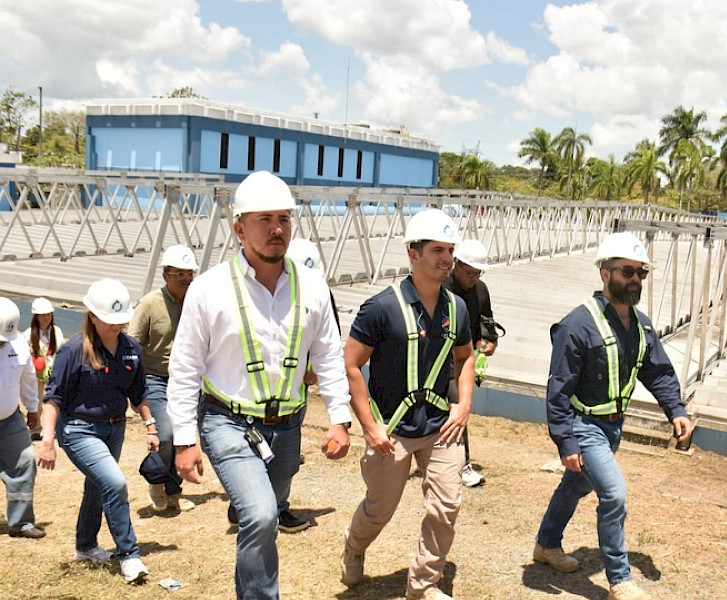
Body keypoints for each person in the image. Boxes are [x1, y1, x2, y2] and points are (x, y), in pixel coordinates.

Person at [167, 171, 352, 600]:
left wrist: (339, 419)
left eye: (284, 219)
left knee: (270, 506)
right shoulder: (208, 289)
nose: (277, 229)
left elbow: (328, 355)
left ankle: (250, 520)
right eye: (264, 219)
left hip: (287, 426)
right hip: (227, 421)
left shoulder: (312, 287)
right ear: (239, 229)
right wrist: (184, 440)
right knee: (263, 514)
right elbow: (185, 367)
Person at [532, 232, 694, 600]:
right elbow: (558, 390)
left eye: (641, 273)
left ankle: (546, 544)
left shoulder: (641, 325)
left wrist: (676, 410)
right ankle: (620, 579)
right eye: (627, 271)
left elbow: (658, 372)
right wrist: (566, 441)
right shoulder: (577, 325)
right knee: (614, 496)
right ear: (605, 273)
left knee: (576, 485)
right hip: (584, 425)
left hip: (612, 427)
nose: (635, 279)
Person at [340, 208, 476, 600]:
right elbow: (350, 364)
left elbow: (465, 357)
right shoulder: (380, 308)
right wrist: (369, 427)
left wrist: (463, 405)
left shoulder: (457, 308)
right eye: (437, 250)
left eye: (450, 250)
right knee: (379, 509)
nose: (447, 259)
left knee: (446, 506)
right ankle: (354, 546)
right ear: (413, 254)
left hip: (440, 426)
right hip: (392, 430)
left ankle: (423, 585)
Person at [36, 278, 158, 584]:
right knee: (115, 483)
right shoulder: (72, 351)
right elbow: (53, 398)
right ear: (92, 316)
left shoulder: (130, 348)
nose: (117, 326)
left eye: (121, 320)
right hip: (78, 429)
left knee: (98, 485)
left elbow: (138, 393)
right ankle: (129, 555)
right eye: (109, 320)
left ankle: (86, 545)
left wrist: (150, 426)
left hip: (115, 429)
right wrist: (47, 439)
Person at [128, 244, 197, 513]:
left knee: (182, 435)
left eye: (189, 273)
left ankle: (173, 490)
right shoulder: (149, 304)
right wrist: (132, 388)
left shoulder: (196, 302)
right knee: (165, 434)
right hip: (154, 378)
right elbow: (132, 345)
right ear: (166, 275)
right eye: (179, 274)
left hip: (186, 380)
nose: (186, 279)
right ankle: (156, 483)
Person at [445, 238, 501, 487]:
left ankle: (462, 463)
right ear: (456, 265)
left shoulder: (481, 290)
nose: (474, 278)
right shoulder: (440, 287)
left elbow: (486, 322)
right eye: (470, 273)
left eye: (478, 273)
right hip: (434, 357)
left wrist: (489, 342)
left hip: (463, 360)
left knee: (458, 405)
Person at [0, 297, 45, 539]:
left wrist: (33, 409)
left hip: (9, 418)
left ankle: (21, 522)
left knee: (25, 460)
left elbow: (27, 377)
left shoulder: (18, 344)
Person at [23, 297, 64, 440]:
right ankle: (35, 429)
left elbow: (60, 350)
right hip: (36, 373)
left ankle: (53, 429)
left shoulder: (56, 332)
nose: (46, 318)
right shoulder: (29, 334)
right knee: (37, 401)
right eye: (43, 315)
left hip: (54, 371)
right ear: (36, 317)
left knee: (54, 401)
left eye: (48, 314)